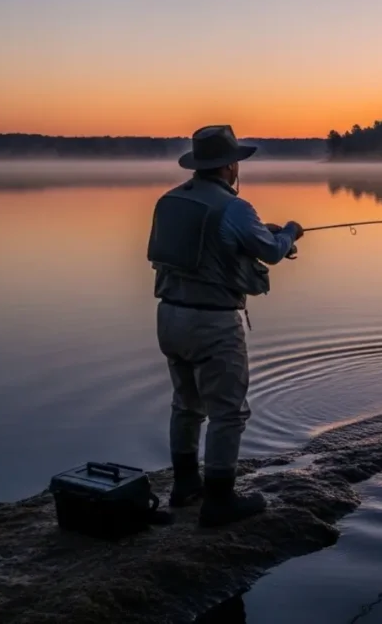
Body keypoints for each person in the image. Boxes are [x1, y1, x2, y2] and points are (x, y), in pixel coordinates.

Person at [146, 124, 304, 527]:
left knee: (186, 403)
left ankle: (184, 486)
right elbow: (269, 252)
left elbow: (209, 245)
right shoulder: (235, 207)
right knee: (228, 412)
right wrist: (288, 232)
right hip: (213, 321)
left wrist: (258, 235)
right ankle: (219, 501)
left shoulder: (170, 201)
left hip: (169, 316)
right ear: (229, 166)